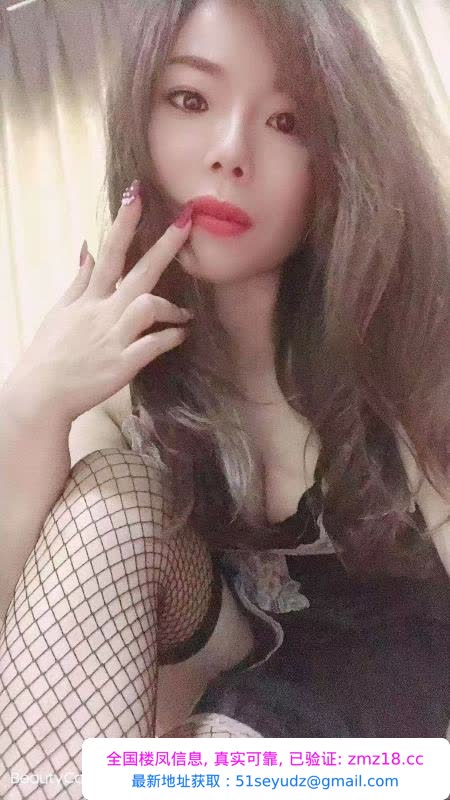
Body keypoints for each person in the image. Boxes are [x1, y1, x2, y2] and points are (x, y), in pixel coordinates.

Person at [1, 0, 450, 791]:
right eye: (190, 99)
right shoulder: (125, 381)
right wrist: (33, 405)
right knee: (109, 498)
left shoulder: (408, 340)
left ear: (338, 158)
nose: (230, 152)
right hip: (224, 715)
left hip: (399, 750)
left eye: (287, 122)